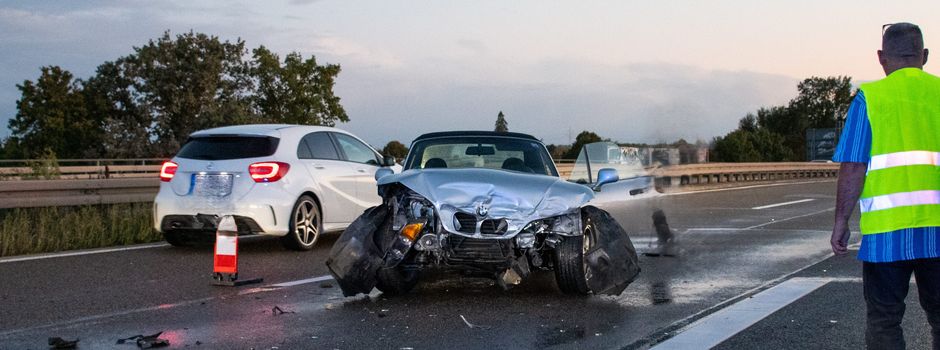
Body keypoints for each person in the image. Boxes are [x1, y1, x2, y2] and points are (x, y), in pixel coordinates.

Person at [831, 22, 940, 349]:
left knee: (884, 319)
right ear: (924, 55)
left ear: (882, 57)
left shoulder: (870, 99)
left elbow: (853, 166)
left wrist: (841, 222)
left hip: (886, 234)